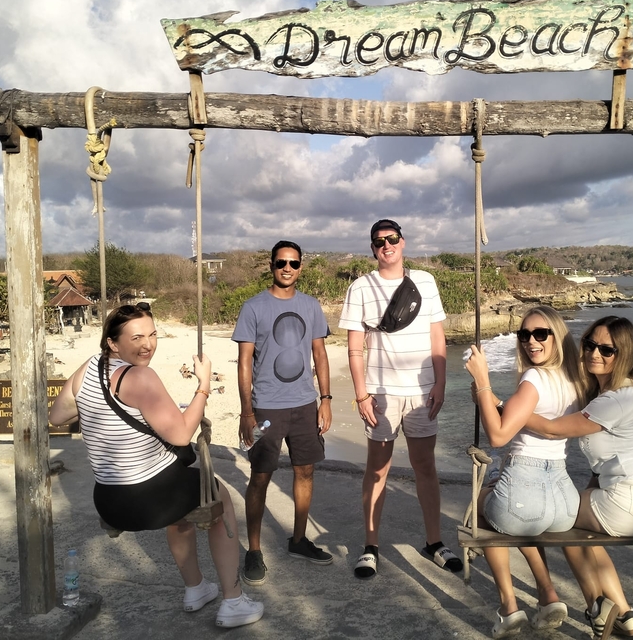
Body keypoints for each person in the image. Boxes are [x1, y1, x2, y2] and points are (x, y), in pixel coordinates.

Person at [49, 303, 263, 628]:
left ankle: (196, 589)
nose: (147, 344)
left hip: (109, 500)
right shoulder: (140, 377)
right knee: (219, 500)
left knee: (181, 513)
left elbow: (58, 416)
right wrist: (203, 386)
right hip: (148, 500)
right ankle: (233, 602)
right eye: (136, 338)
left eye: (152, 334)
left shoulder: (88, 368)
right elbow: (180, 435)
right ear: (113, 342)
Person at [525, 316, 633, 638]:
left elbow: (553, 430)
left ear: (624, 355)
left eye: (607, 350)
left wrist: (497, 404)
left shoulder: (616, 401)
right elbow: (606, 464)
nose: (595, 354)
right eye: (589, 345)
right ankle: (625, 613)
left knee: (559, 517)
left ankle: (597, 606)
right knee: (580, 523)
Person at [339, 218, 461, 579]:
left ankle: (434, 542)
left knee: (426, 467)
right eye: (378, 242)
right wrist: (361, 394)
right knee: (377, 470)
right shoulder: (361, 287)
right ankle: (371, 547)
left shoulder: (425, 281)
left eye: (391, 239)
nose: (386, 246)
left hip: (423, 393)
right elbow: (355, 348)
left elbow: (437, 336)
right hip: (381, 393)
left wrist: (440, 383)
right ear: (373, 249)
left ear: (403, 242)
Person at [465, 306, 584, 638]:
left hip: (525, 486)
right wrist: (489, 400)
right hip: (563, 501)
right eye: (524, 334)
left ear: (557, 336)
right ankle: (548, 595)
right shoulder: (573, 377)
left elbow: (499, 435)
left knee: (485, 513)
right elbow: (534, 420)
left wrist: (483, 380)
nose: (531, 341)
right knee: (523, 517)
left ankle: (509, 606)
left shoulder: (533, 377)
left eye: (540, 334)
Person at [232, 240, 333, 586]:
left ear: (301, 266)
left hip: (305, 404)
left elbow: (319, 354)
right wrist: (247, 411)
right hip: (266, 407)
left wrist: (327, 399)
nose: (287, 268)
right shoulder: (253, 307)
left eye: (293, 263)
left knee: (305, 472)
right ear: (271, 266)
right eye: (280, 263)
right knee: (260, 475)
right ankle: (254, 551)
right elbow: (245, 361)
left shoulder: (311, 306)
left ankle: (299, 540)